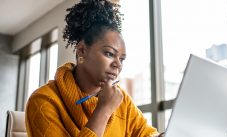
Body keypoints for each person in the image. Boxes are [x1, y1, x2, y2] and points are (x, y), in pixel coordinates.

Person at [25, 0, 163, 136]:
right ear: (82, 50)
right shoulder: (43, 101)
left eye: (122, 59)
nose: (118, 64)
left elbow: (148, 134)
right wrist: (104, 110)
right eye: (109, 53)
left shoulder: (121, 99)